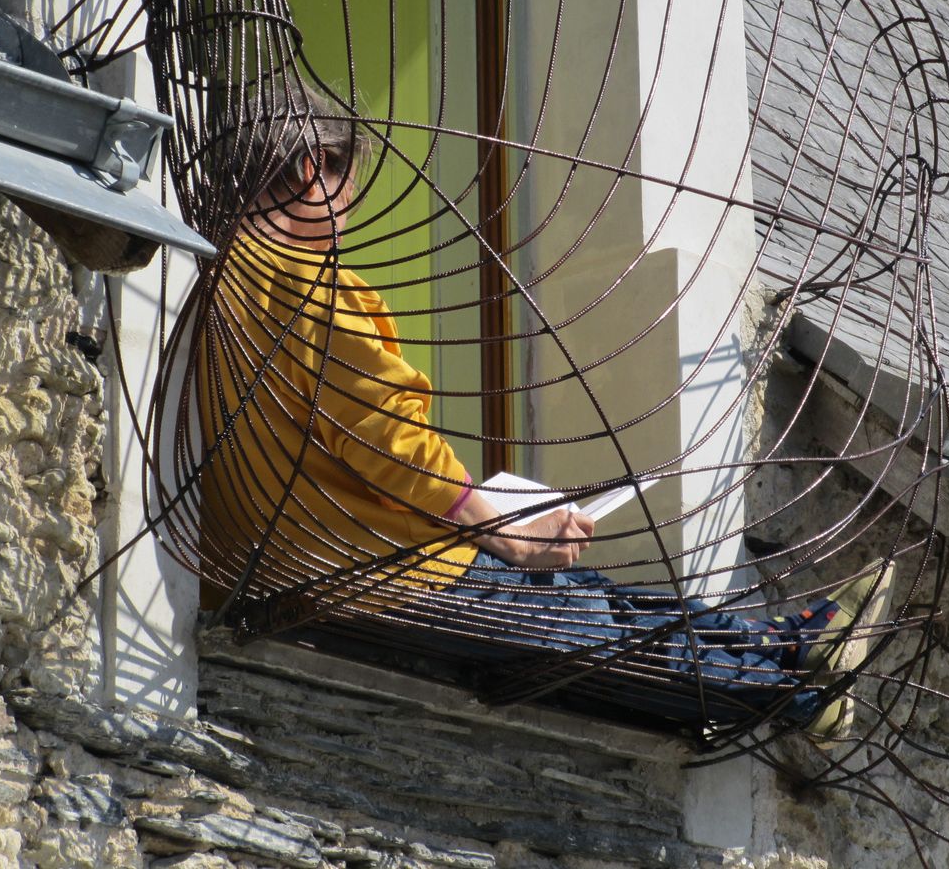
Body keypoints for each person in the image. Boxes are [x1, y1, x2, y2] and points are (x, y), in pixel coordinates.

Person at [197, 82, 891, 734]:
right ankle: (802, 692)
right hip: (376, 570)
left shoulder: (219, 276)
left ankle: (792, 647)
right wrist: (496, 525)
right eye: (346, 186)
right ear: (316, 166)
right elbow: (387, 436)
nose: (346, 209)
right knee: (588, 615)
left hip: (292, 565)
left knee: (596, 596)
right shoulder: (309, 282)